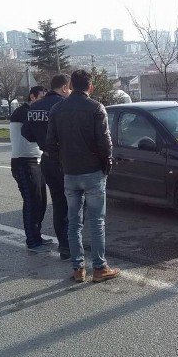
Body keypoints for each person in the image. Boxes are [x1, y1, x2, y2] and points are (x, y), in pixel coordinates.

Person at [46, 69, 119, 283]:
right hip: (93, 171)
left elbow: (50, 143)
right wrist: (107, 163)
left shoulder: (57, 109)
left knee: (73, 221)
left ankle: (78, 268)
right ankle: (99, 267)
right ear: (90, 87)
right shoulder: (96, 107)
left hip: (70, 172)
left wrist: (63, 162)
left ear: (70, 86)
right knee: (96, 221)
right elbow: (105, 141)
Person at [22, 75, 70, 260]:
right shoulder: (63, 105)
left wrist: (43, 140)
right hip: (65, 160)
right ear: (65, 87)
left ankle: (64, 245)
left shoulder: (34, 107)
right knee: (74, 203)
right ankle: (71, 243)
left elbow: (26, 133)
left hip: (47, 160)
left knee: (58, 203)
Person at [10, 86, 53, 253]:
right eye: (40, 97)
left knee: (41, 201)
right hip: (23, 161)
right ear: (32, 97)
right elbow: (34, 131)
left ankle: (37, 235)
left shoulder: (32, 111)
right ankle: (31, 241)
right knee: (31, 202)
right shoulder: (23, 111)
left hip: (36, 160)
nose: (42, 101)